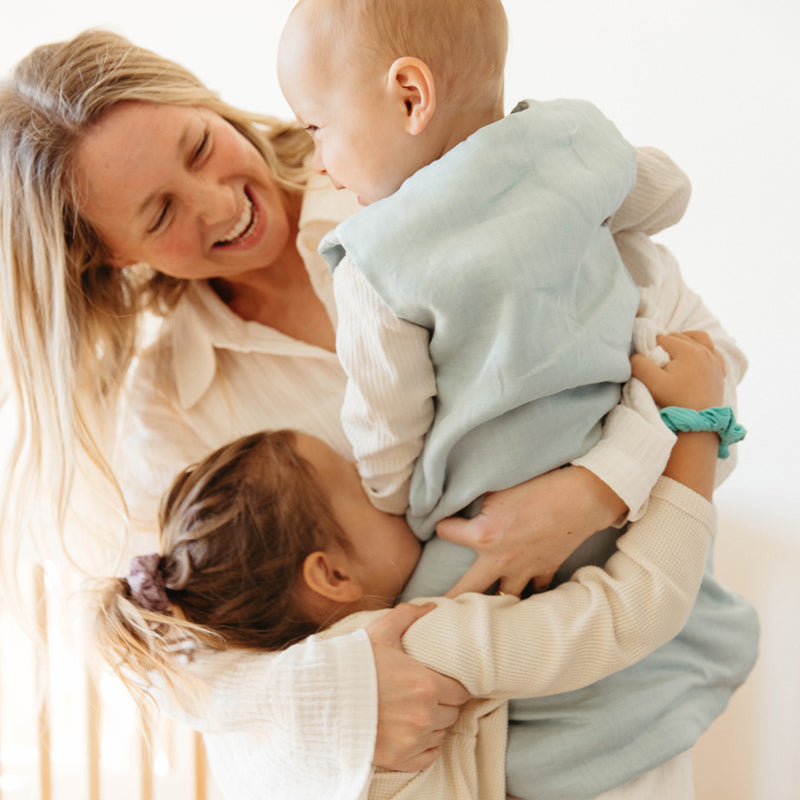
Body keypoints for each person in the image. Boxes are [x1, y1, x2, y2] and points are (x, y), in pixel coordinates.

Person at [0, 29, 756, 800]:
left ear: (210, 106)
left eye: (199, 147)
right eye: (160, 214)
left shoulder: (414, 167)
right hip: (438, 759)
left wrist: (598, 487)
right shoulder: (167, 414)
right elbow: (184, 666)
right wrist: (346, 694)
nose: (219, 204)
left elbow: (705, 362)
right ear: (113, 254)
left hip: (624, 715)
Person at [95, 332, 728, 800]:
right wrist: (697, 425)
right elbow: (632, 613)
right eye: (360, 483)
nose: (383, 481)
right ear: (331, 576)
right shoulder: (416, 644)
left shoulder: (271, 739)